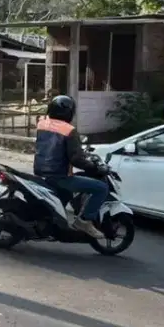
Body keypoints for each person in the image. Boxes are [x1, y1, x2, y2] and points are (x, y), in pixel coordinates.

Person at [33, 94, 107, 239]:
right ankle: (84, 220)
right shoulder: (69, 130)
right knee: (101, 188)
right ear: (69, 112)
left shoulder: (41, 124)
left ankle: (54, 220)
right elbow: (76, 159)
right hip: (59, 176)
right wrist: (94, 168)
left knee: (66, 194)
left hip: (40, 173)